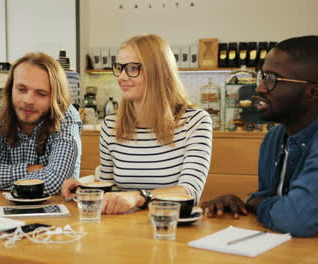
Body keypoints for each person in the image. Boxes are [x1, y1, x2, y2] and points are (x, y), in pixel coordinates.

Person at [62, 34, 212, 214]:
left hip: (169, 226)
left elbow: (189, 191)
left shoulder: (195, 122)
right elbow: (108, 188)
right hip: (122, 229)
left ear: (159, 72)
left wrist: (138, 196)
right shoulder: (111, 125)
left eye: (133, 68)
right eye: (119, 68)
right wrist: (84, 189)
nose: (121, 77)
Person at [201, 35, 318, 237]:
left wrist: (257, 204)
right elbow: (266, 196)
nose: (259, 88)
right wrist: (244, 203)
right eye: (262, 76)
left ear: (314, 92)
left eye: (272, 80)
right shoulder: (275, 137)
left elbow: (296, 218)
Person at [0, 52, 82, 194]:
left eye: (41, 94)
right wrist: (28, 170)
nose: (28, 100)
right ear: (10, 89)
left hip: (53, 212)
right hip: (0, 210)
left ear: (56, 97)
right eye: (21, 89)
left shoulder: (65, 116)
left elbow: (56, 181)